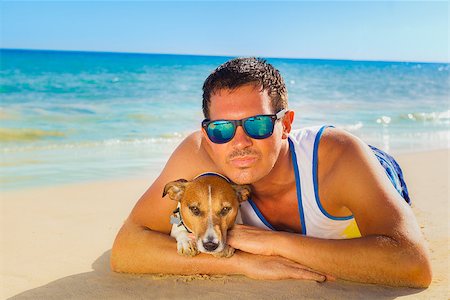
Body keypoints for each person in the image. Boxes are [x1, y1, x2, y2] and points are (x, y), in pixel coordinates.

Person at [110, 57, 432, 287]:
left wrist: (273, 243)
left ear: (286, 124)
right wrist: (243, 262)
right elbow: (127, 248)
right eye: (222, 129)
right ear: (208, 131)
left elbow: (412, 264)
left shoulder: (337, 157)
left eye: (258, 124)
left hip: (377, 168)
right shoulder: (198, 155)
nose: (240, 143)